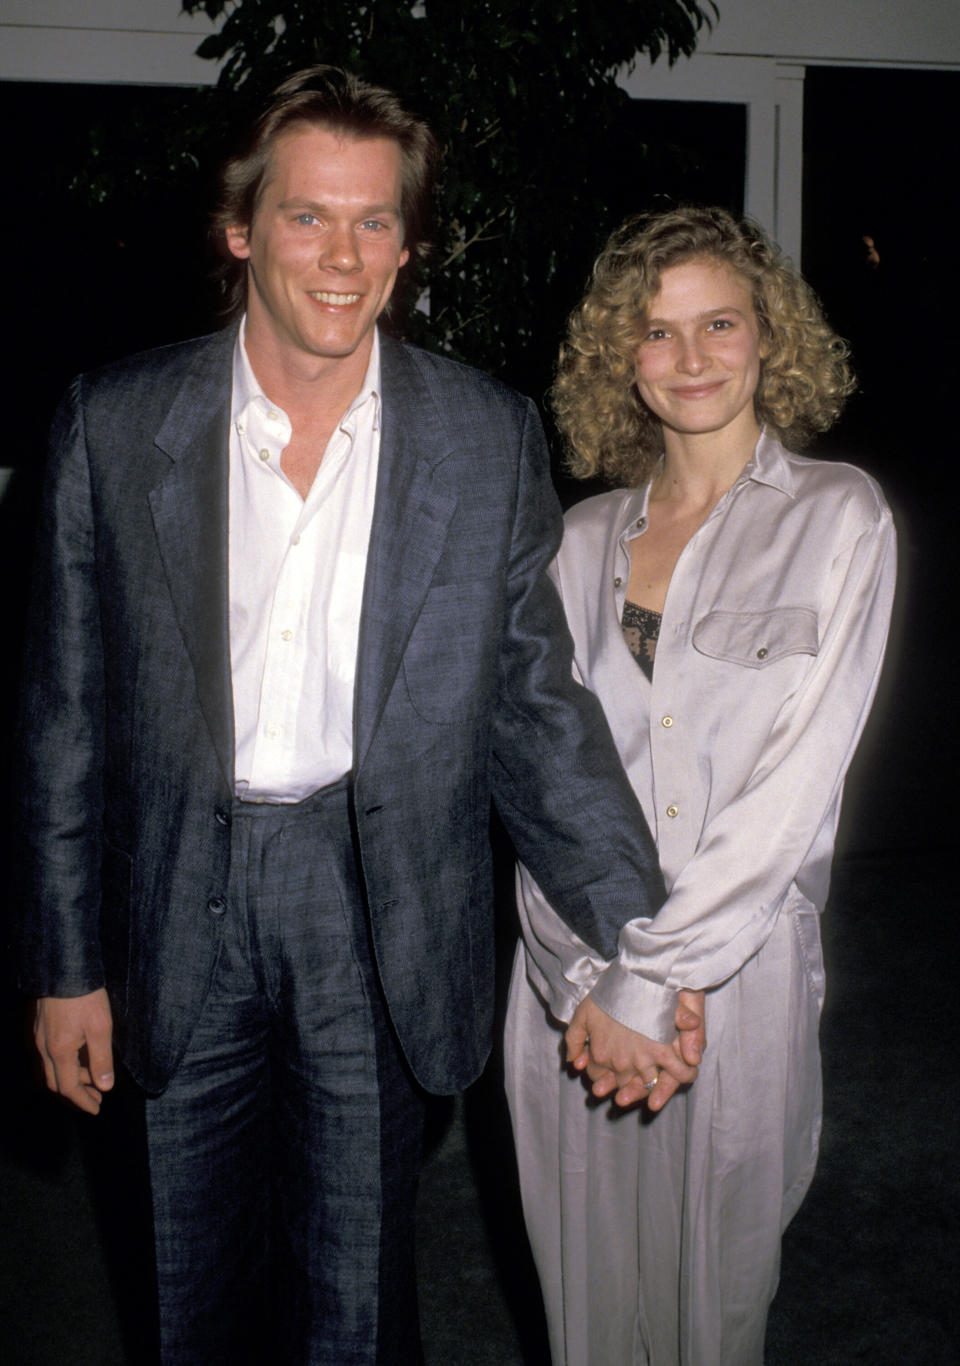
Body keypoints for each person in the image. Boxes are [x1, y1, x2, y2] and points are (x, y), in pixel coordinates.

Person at [15, 69, 703, 1366]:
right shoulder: (111, 424)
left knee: (356, 1298)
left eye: (375, 220)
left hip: (377, 907)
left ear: (409, 240)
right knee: (187, 1284)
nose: (343, 256)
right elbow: (66, 722)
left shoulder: (481, 436)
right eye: (308, 218)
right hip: (176, 904)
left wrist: (639, 934)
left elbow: (534, 706)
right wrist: (63, 963)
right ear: (241, 229)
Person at [504, 205, 896, 1366]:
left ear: (769, 335)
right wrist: (587, 977)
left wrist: (655, 976)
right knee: (585, 1315)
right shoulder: (573, 543)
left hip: (732, 978)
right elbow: (531, 774)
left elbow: (798, 786)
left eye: (718, 323)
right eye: (656, 332)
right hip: (569, 987)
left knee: (712, 1314)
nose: (690, 359)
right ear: (617, 359)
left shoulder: (840, 516)